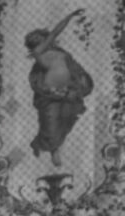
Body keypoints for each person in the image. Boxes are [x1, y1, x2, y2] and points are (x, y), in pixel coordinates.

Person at [26, 9, 92, 168]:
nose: (46, 42)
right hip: (51, 95)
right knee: (51, 125)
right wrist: (52, 91)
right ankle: (53, 149)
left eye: (43, 39)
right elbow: (55, 32)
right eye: (38, 41)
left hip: (69, 90)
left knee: (67, 119)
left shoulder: (59, 52)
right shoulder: (39, 53)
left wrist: (70, 16)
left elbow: (57, 32)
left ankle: (45, 144)